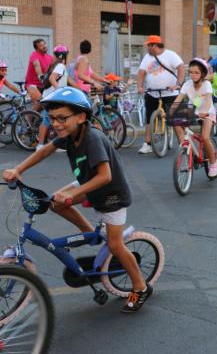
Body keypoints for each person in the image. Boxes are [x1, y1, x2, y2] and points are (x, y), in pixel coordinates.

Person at [2, 87, 153, 313]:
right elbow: (43, 152)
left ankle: (141, 287)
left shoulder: (91, 137)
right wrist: (19, 169)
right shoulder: (70, 135)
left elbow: (106, 176)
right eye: (52, 118)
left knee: (114, 244)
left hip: (111, 194)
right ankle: (89, 233)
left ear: (81, 117)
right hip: (88, 184)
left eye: (62, 118)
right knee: (54, 202)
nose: (55, 123)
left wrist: (72, 194)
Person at [136, 35, 185, 154]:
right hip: (152, 93)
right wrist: (140, 86)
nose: (147, 48)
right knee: (149, 119)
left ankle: (183, 143)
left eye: (149, 45)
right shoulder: (147, 57)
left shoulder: (170, 55)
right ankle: (147, 144)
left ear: (155, 45)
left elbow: (181, 68)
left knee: (175, 119)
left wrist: (178, 84)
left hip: (170, 92)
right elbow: (141, 72)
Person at [171, 58, 217, 178]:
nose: (193, 75)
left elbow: (207, 100)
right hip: (194, 109)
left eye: (196, 72)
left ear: (202, 73)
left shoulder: (206, 84)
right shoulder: (187, 84)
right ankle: (185, 146)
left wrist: (205, 112)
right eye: (191, 72)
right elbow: (178, 99)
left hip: (207, 113)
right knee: (176, 122)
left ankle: (213, 164)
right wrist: (170, 111)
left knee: (205, 137)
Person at [37, 45, 78, 151]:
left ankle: (59, 143)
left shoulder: (58, 65)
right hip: (51, 98)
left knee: (59, 119)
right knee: (47, 119)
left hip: (53, 97)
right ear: (66, 55)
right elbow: (52, 79)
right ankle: (40, 145)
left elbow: (69, 80)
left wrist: (81, 89)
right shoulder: (60, 66)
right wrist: (60, 90)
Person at [24, 39, 53, 112]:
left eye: (44, 44)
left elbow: (53, 69)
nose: (44, 46)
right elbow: (37, 65)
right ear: (37, 48)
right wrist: (40, 76)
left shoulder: (50, 57)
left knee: (46, 103)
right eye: (41, 46)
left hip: (44, 84)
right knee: (39, 102)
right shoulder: (34, 55)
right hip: (32, 84)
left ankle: (37, 120)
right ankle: (29, 122)